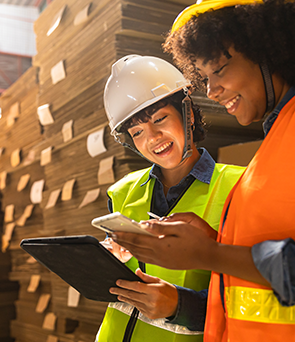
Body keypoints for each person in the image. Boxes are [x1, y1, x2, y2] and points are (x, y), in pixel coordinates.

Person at [112, 1, 295, 341]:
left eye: (220, 70)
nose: (211, 91)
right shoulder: (274, 143)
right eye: (205, 77)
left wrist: (208, 253)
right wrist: (215, 240)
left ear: (266, 47)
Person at [95, 54, 244, 342]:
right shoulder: (122, 192)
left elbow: (252, 291)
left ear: (187, 113)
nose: (152, 137)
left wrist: (180, 305)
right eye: (137, 132)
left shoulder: (239, 187)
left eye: (160, 118)